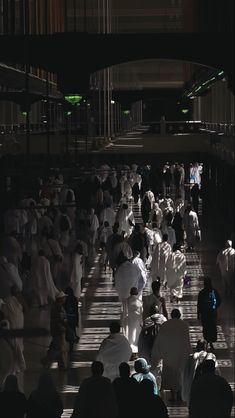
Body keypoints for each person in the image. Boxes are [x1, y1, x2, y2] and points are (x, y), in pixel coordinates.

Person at [151, 308, 191, 402]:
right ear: (180, 315)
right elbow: (186, 340)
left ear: (171, 315)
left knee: (171, 375)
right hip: (181, 353)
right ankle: (180, 394)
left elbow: (160, 339)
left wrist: (157, 354)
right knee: (180, 374)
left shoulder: (165, 325)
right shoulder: (184, 325)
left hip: (169, 354)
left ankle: (173, 395)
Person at [182, 338, 219, 405]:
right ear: (206, 347)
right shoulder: (212, 357)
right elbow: (217, 373)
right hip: (208, 387)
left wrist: (185, 394)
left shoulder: (191, 358)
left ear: (197, 347)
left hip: (194, 387)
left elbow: (186, 376)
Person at [41, 291, 69, 371]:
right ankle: (46, 360)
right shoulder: (59, 308)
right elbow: (62, 320)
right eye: (64, 297)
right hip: (59, 331)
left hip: (56, 330)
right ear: (60, 299)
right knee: (59, 349)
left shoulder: (56, 306)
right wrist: (67, 327)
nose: (65, 298)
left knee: (59, 348)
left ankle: (62, 366)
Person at [197, 277, 221, 351]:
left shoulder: (202, 292)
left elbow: (199, 304)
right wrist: (215, 307)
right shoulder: (214, 291)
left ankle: (206, 343)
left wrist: (198, 314)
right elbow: (219, 300)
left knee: (206, 328)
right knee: (212, 327)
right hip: (212, 313)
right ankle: (211, 344)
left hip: (205, 313)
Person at [124, 287, 143, 359]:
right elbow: (141, 313)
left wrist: (123, 321)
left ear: (130, 293)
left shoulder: (126, 300)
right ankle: (135, 353)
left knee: (129, 336)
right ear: (137, 293)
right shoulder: (139, 302)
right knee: (136, 337)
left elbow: (124, 312)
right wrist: (142, 323)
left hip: (129, 321)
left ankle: (130, 352)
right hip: (137, 321)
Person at [64, 286, 79, 352]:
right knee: (72, 332)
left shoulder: (65, 300)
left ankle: (67, 346)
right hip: (73, 318)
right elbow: (76, 311)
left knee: (67, 332)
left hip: (67, 318)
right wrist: (77, 321)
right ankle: (71, 347)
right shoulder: (74, 299)